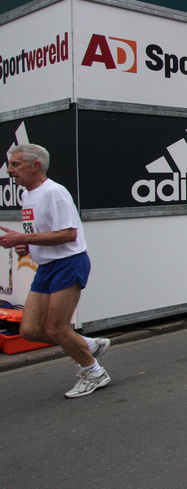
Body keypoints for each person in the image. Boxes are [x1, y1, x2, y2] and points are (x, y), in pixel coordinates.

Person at [0, 144, 111, 398]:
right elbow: (42, 234)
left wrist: (23, 238)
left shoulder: (54, 192)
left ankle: (93, 372)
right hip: (46, 268)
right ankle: (87, 345)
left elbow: (68, 234)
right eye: (10, 165)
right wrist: (26, 245)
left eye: (15, 164)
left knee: (56, 329)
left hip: (68, 263)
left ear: (35, 165)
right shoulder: (27, 195)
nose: (9, 170)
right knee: (30, 330)